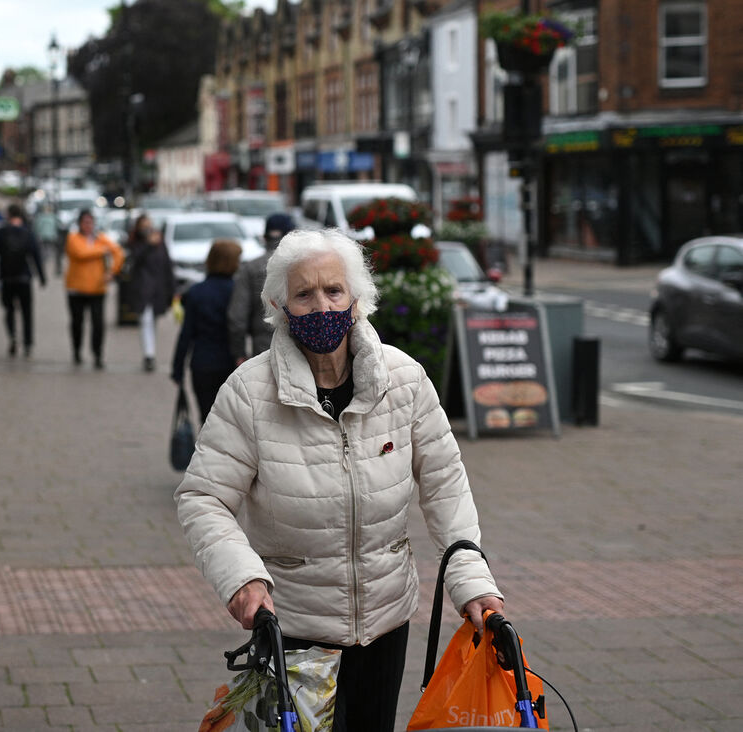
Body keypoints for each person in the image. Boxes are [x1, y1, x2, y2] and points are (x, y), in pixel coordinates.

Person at [174, 229, 504, 731]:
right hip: (294, 626)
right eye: (304, 294)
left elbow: (444, 484)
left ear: (357, 298)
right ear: (279, 306)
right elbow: (203, 497)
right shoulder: (247, 393)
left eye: (334, 291)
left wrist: (471, 581)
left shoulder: (405, 380)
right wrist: (242, 578)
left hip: (385, 621)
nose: (322, 306)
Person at [170, 239, 241, 424]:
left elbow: (186, 334)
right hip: (231, 363)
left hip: (202, 364)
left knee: (207, 417)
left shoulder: (196, 292)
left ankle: (207, 452)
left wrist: (178, 368)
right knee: (231, 420)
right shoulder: (237, 292)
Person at [227, 212, 296, 367]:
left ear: (265, 238)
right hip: (301, 347)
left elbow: (237, 317)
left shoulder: (250, 269)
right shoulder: (302, 267)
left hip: (263, 349)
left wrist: (239, 353)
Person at [64, 209, 124, 369]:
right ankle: (76, 350)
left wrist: (112, 271)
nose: (88, 226)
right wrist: (102, 251)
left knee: (98, 324)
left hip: (97, 288)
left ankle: (97, 354)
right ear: (80, 224)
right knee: (77, 323)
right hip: (76, 288)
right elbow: (80, 253)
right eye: (85, 222)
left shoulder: (101, 239)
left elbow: (118, 252)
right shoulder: (73, 238)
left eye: (90, 222)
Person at [0, 203, 47, 357]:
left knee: (9, 310)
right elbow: (36, 255)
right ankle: (28, 343)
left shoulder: (2, 232)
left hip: (7, 277)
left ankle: (13, 336)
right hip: (24, 278)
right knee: (27, 312)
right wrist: (42, 276)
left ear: (9, 215)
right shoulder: (28, 232)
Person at [127, 214, 176, 372]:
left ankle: (150, 352)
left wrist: (172, 289)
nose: (148, 228)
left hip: (158, 289)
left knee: (152, 321)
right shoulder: (135, 242)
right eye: (144, 225)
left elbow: (167, 266)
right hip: (143, 288)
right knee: (146, 320)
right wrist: (148, 245)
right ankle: (149, 355)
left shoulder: (160, 243)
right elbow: (134, 261)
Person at [33, 203, 61, 275]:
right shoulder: (49, 217)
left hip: (47, 236)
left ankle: (46, 262)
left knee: (46, 251)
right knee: (47, 251)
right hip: (48, 236)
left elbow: (36, 227)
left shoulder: (43, 217)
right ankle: (47, 263)